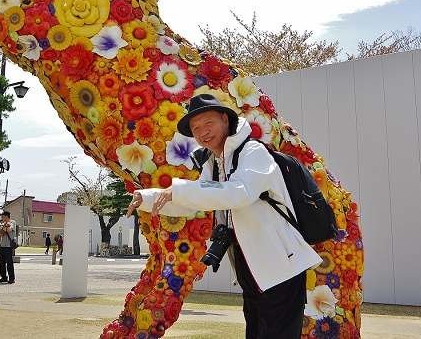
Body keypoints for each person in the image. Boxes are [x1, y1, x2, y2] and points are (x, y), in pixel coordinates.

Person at [127, 94, 322, 339]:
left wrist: (177, 189)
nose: (202, 133)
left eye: (208, 123)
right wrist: (148, 197)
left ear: (224, 119)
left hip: (281, 266)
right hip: (251, 267)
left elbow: (239, 193)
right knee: (256, 332)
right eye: (196, 129)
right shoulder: (215, 163)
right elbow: (193, 203)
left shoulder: (253, 152)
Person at [0, 211, 15, 284]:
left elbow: (9, 230)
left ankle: (11, 278)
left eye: (3, 216)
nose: (1, 218)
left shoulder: (12, 222)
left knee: (9, 263)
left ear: (6, 216)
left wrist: (3, 230)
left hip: (8, 246)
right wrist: (4, 228)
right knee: (2, 263)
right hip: (2, 246)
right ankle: (3, 277)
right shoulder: (2, 224)